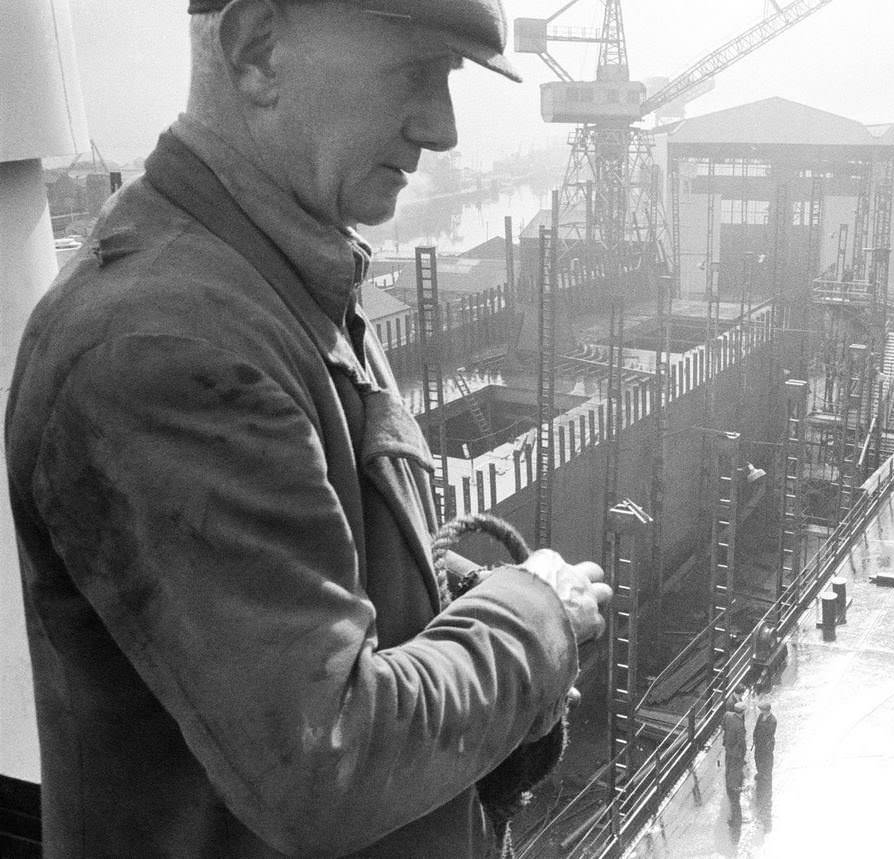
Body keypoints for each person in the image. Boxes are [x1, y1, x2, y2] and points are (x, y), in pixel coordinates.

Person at [5, 1, 612, 856]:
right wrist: (532, 615)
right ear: (256, 50)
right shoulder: (169, 347)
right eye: (415, 71)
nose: (443, 129)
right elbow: (327, 758)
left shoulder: (280, 281)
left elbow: (323, 594)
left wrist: (445, 592)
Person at [752, 700, 777, 826]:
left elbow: (768, 734)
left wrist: (762, 741)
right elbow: (757, 728)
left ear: (766, 710)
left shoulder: (772, 720)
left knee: (765, 763)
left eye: (762, 709)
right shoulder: (761, 717)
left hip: (765, 747)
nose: (760, 711)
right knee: (757, 759)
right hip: (759, 745)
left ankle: (765, 777)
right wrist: (755, 737)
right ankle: (760, 772)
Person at [722, 701, 747, 825]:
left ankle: (729, 783)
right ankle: (736, 819)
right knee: (735, 772)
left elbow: (723, 727)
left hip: (728, 748)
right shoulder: (740, 726)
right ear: (742, 712)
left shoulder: (727, 715)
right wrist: (743, 755)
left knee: (728, 767)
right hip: (736, 753)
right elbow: (742, 743)